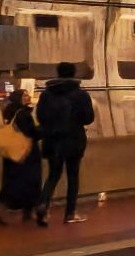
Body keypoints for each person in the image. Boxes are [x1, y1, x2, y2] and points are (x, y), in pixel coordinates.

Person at [35, 62, 95, 226]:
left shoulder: (46, 94)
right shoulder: (80, 95)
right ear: (73, 74)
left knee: (53, 175)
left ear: (58, 73)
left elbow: (40, 117)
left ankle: (43, 204)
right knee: (73, 176)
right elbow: (89, 118)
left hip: (52, 141)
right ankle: (70, 213)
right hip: (73, 141)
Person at [0, 87, 40, 226]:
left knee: (14, 181)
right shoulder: (22, 114)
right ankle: (3, 207)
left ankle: (27, 211)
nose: (28, 97)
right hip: (25, 154)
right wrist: (45, 130)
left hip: (12, 154)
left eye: (27, 94)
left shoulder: (11, 112)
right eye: (24, 95)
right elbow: (32, 133)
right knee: (26, 181)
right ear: (18, 98)